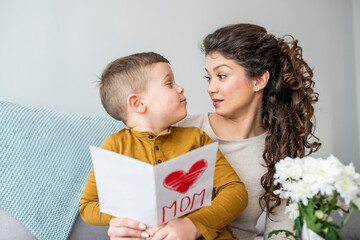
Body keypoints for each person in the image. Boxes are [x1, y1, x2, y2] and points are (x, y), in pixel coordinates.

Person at [79, 52, 248, 240]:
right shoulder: (114, 146)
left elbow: (235, 192)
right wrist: (131, 220)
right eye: (169, 84)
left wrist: (194, 225)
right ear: (138, 103)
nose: (180, 88)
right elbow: (88, 205)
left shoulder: (197, 139)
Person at [176, 23, 321, 239]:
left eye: (221, 76)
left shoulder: (280, 149)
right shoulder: (185, 129)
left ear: (259, 80)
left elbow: (282, 233)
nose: (210, 88)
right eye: (209, 77)